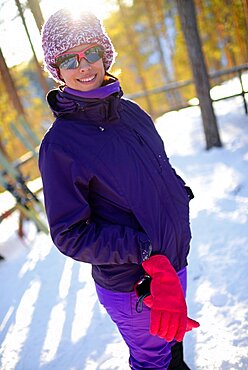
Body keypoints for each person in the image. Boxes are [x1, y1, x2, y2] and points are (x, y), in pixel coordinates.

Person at [39, 8, 199, 370]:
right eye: (69, 58)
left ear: (105, 54)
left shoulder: (132, 112)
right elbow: (70, 234)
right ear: (57, 69)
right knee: (152, 361)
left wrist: (178, 196)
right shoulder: (60, 145)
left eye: (91, 52)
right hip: (135, 285)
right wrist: (144, 250)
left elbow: (159, 168)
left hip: (174, 263)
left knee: (174, 347)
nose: (84, 66)